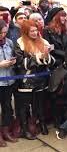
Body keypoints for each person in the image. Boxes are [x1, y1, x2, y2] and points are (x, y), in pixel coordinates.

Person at [15, 20, 56, 139]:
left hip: (41, 78)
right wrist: (39, 57)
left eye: (36, 30)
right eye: (31, 31)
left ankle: (42, 123)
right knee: (24, 105)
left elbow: (51, 62)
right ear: (25, 31)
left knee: (40, 103)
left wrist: (46, 56)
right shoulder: (20, 43)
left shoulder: (43, 41)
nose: (34, 33)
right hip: (26, 80)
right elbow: (20, 62)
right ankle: (24, 128)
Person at [0, 19, 18, 147]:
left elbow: (13, 56)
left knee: (7, 107)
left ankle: (6, 131)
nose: (3, 35)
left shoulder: (10, 42)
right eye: (0, 33)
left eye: (5, 32)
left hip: (8, 80)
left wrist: (12, 62)